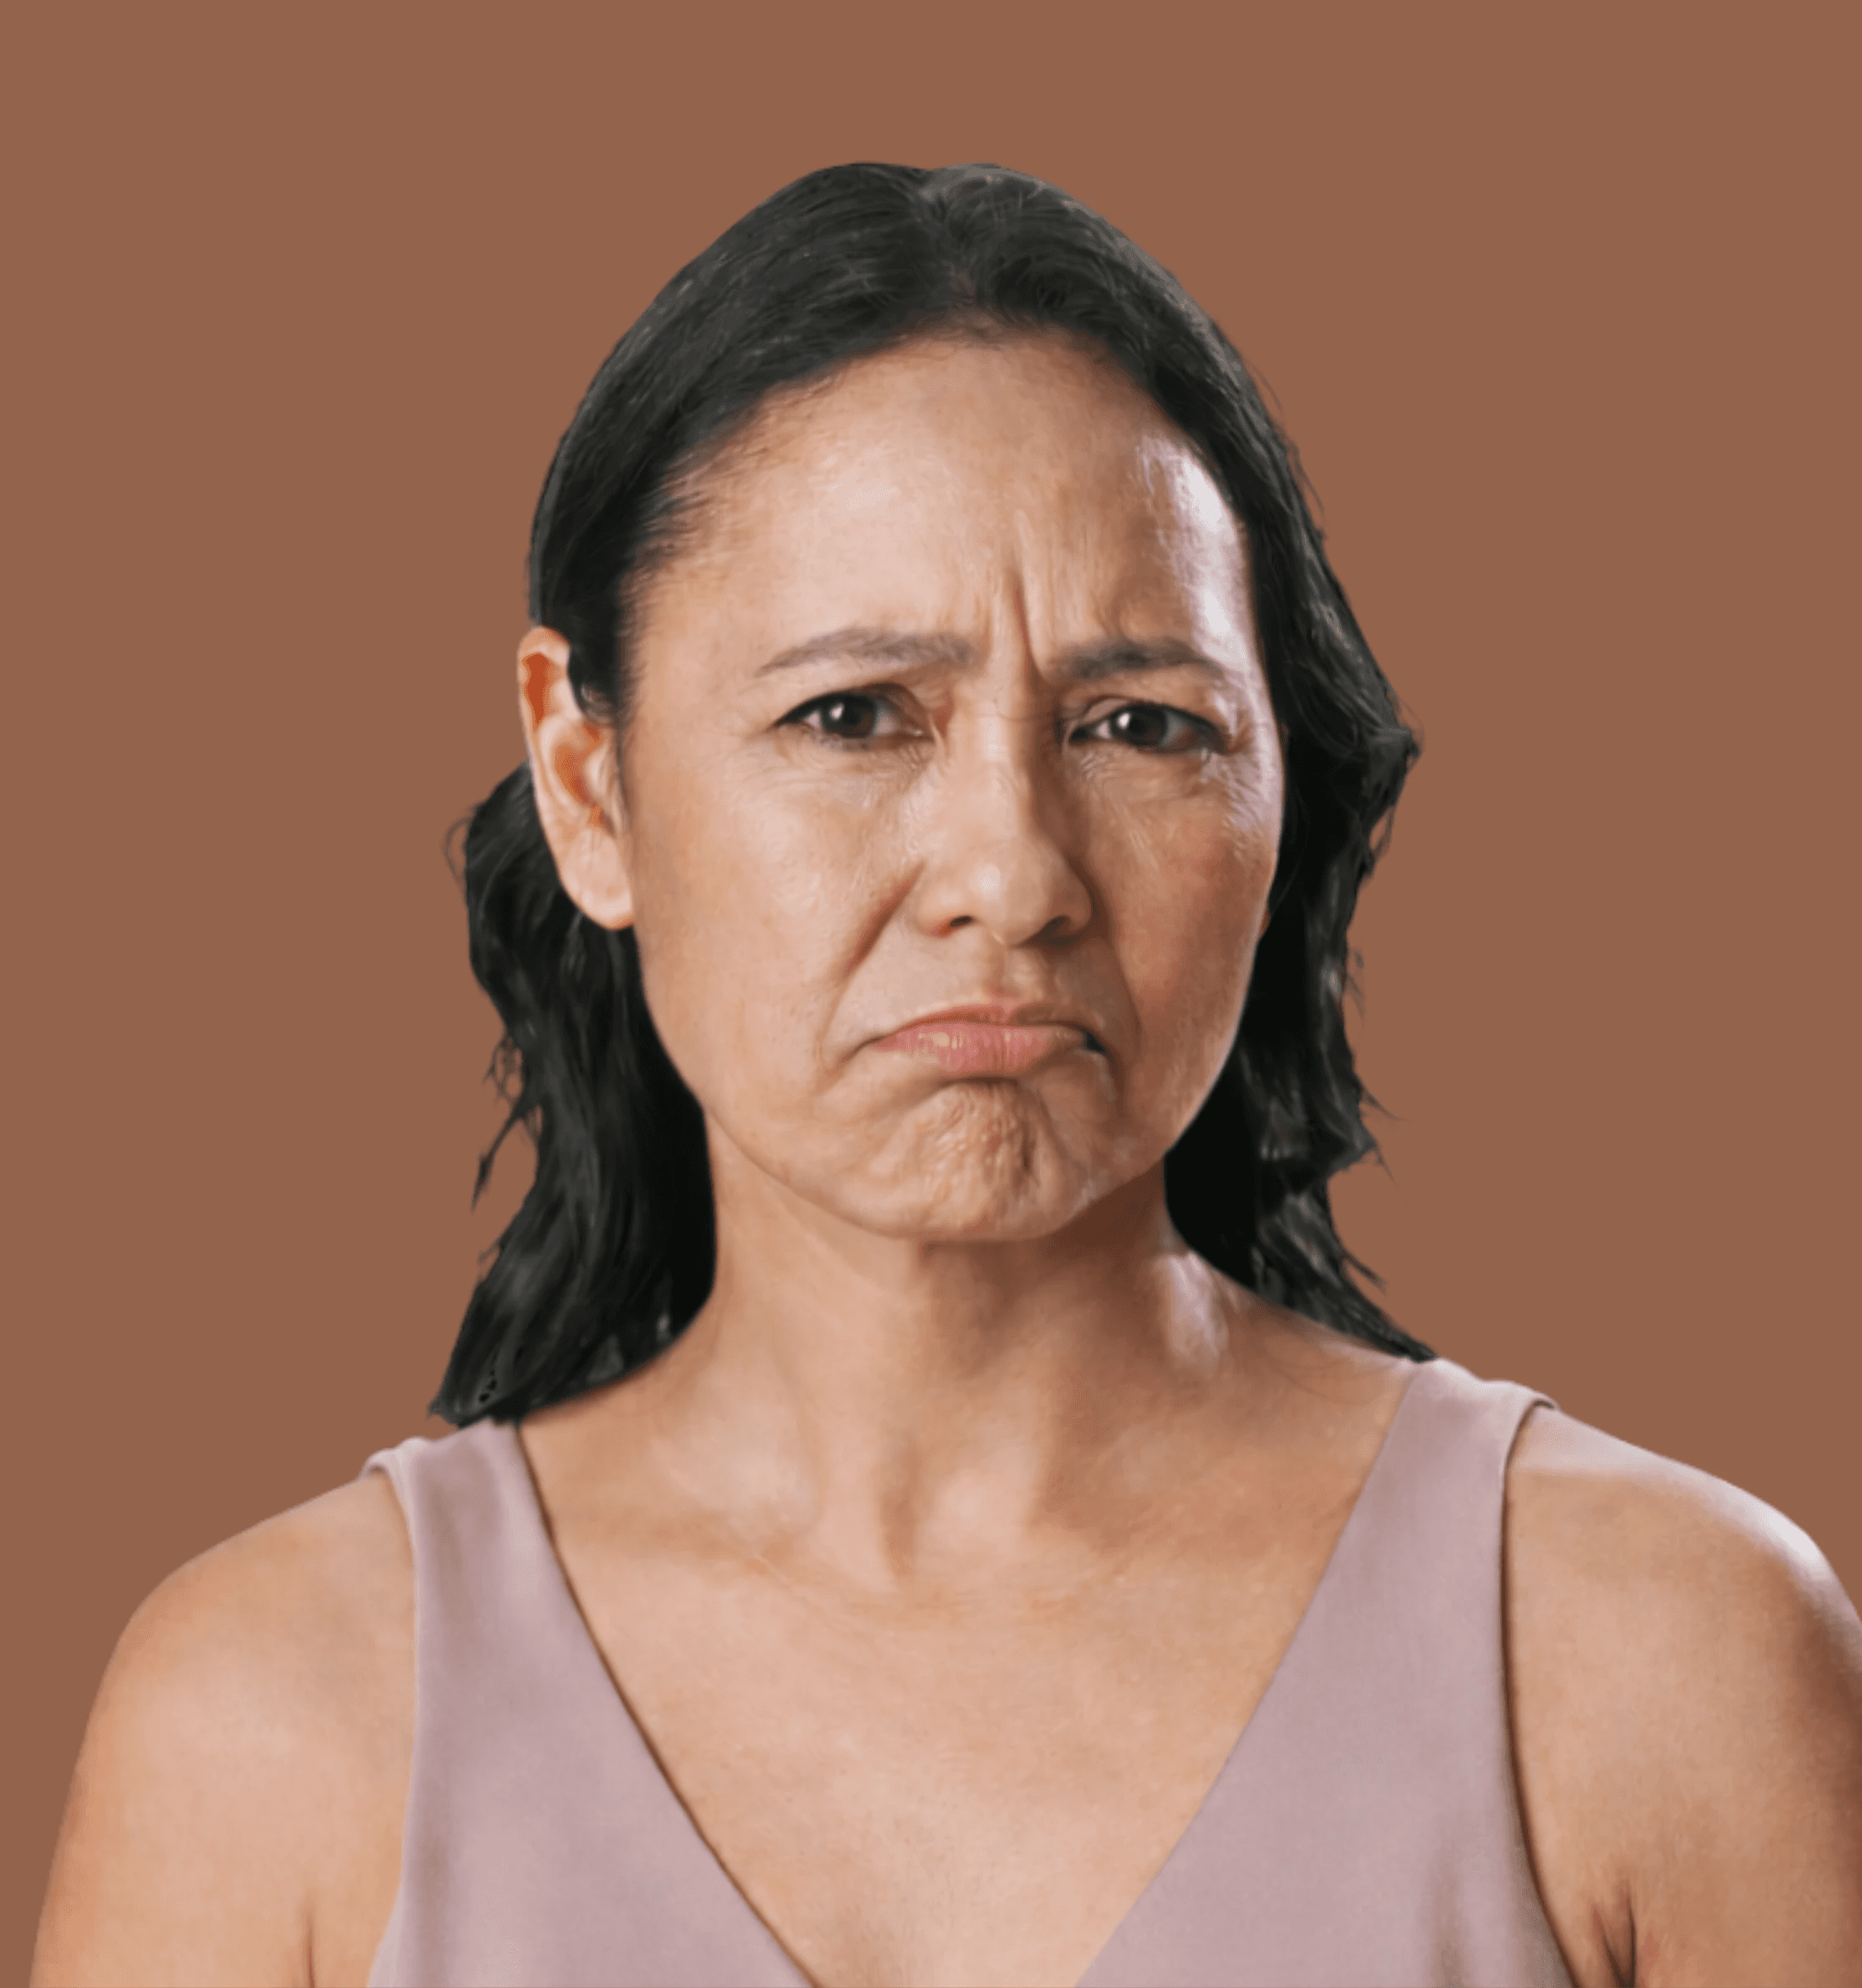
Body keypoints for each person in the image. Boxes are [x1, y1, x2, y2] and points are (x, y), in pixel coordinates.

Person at [33, 162, 1862, 1988]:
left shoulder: (1655, 1659)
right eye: (851, 716)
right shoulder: (269, 1716)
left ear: (1278, 794)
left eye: (1140, 726)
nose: (1011, 873)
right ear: (590, 787)